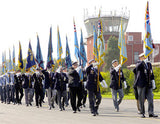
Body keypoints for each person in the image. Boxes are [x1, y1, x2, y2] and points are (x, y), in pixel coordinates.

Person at [134, 53, 158, 118]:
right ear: (140, 58)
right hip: (141, 84)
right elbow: (137, 68)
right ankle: (142, 113)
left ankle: (151, 112)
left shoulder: (149, 64)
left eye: (146, 56)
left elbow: (151, 73)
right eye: (143, 57)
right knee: (141, 99)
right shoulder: (138, 63)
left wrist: (153, 81)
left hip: (148, 84)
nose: (145, 58)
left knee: (150, 99)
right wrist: (142, 62)